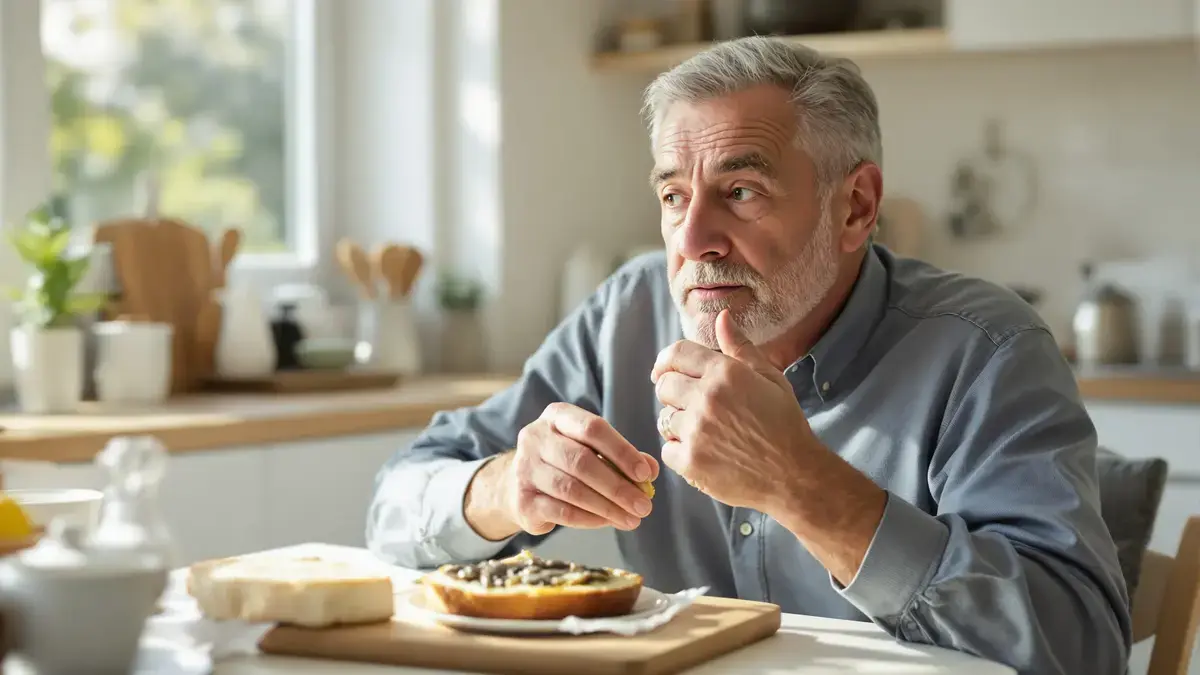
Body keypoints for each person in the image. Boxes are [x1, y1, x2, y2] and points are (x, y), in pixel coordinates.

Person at [366, 36, 1130, 675]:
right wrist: (506, 489)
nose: (693, 240)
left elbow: (1083, 645)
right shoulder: (627, 314)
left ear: (856, 207)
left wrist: (803, 485)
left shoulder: (986, 350)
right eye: (673, 197)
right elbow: (394, 507)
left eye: (740, 191)